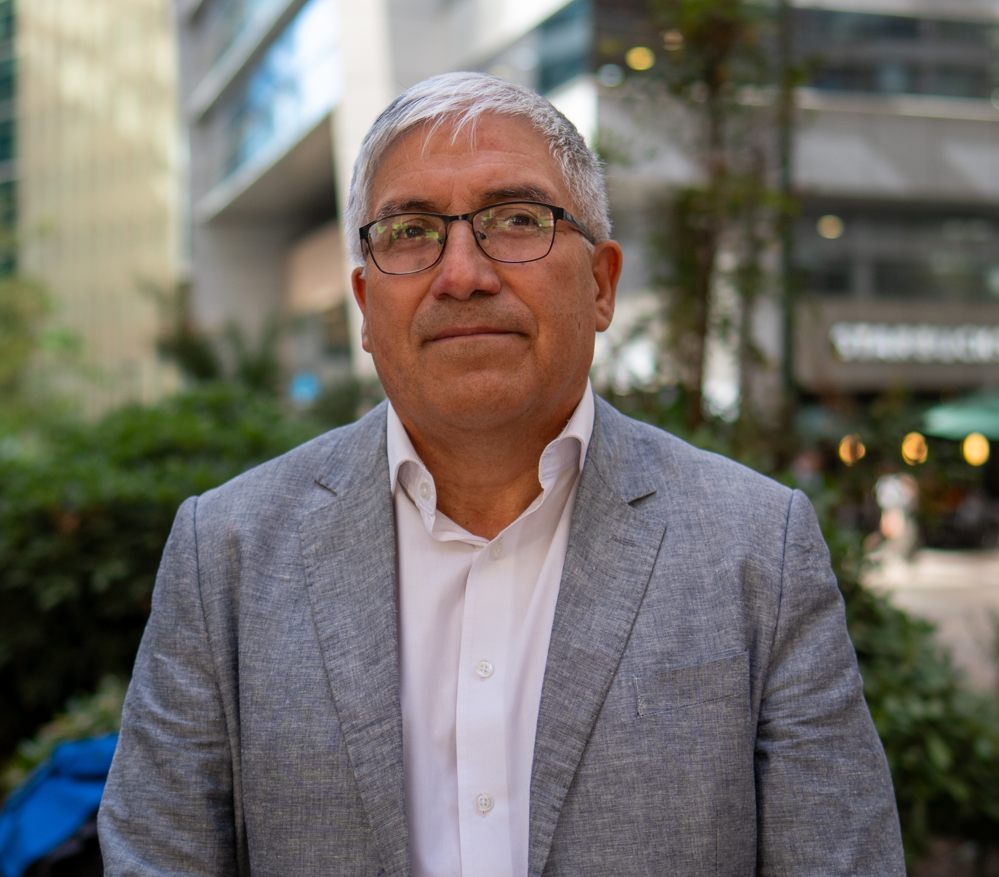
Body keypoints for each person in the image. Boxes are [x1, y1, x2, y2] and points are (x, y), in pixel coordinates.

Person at [98, 72, 905, 877]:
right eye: (410, 231)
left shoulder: (757, 548)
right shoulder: (226, 552)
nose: (461, 274)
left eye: (516, 219)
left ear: (601, 284)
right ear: (364, 306)